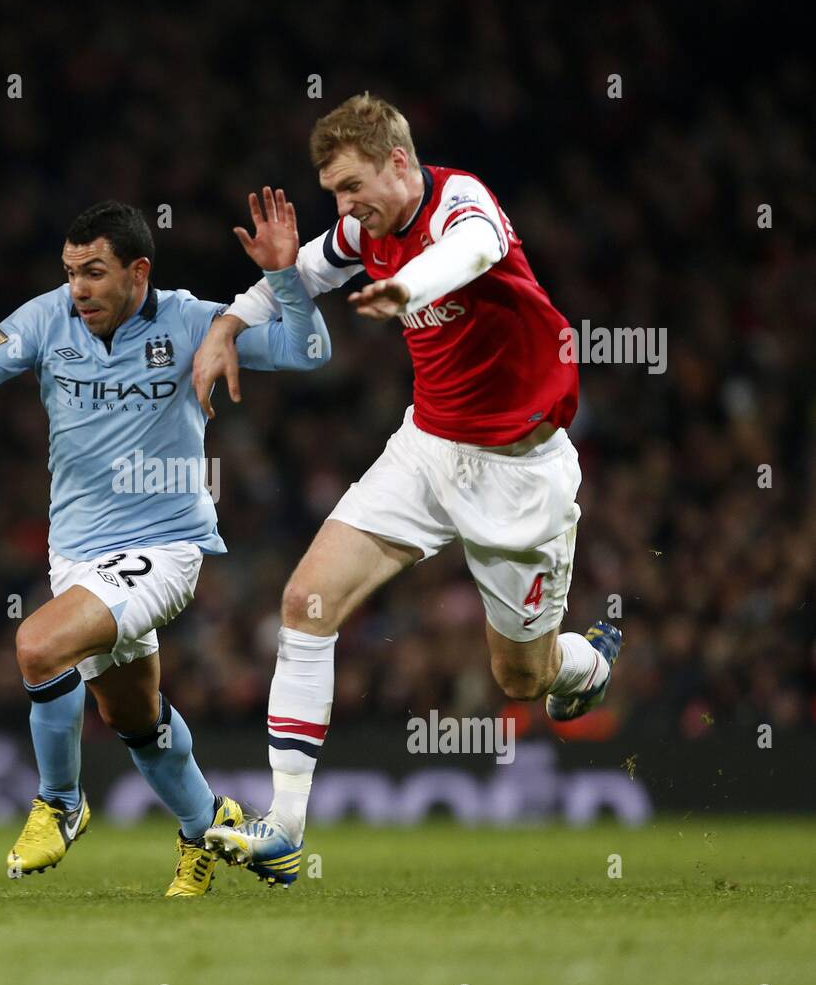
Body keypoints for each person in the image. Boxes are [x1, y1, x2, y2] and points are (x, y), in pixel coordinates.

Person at [192, 94, 622, 886]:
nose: (344, 207)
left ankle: (580, 668)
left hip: (520, 473)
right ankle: (284, 826)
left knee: (518, 678)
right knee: (305, 602)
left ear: (399, 161)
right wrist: (227, 323)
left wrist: (404, 291)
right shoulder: (365, 230)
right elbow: (303, 274)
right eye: (334, 194)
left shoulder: (464, 202)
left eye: (353, 186)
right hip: (426, 448)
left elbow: (467, 253)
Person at [0, 197, 331, 895]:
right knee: (133, 718)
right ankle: (209, 825)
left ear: (137, 271)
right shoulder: (45, 318)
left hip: (166, 546)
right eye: (70, 271)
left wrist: (286, 276)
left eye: (93, 272)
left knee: (37, 646)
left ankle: (60, 801)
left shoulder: (189, 320)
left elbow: (308, 349)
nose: (78, 288)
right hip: (77, 555)